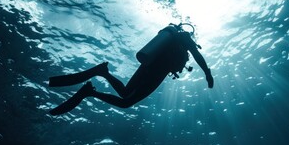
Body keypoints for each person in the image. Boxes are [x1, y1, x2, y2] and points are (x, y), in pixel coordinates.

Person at [48, 23, 214, 116]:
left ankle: (101, 74)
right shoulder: (184, 38)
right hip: (158, 71)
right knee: (126, 101)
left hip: (148, 65)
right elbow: (197, 55)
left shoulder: (172, 38)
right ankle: (92, 88)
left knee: (125, 95)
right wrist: (207, 73)